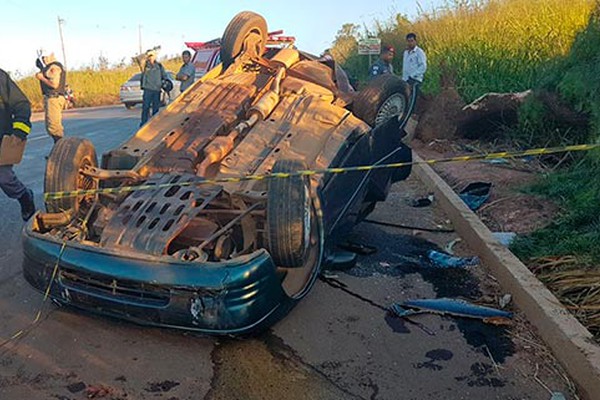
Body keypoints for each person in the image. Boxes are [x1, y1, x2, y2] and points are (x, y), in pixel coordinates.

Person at [0, 69, 36, 221]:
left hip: (2, 141)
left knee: (4, 179)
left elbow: (21, 104)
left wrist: (19, 131)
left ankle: (24, 196)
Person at [35, 52, 66, 143]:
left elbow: (54, 85)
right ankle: (59, 149)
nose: (44, 59)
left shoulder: (54, 68)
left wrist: (41, 78)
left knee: (54, 127)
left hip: (54, 98)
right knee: (51, 126)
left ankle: (61, 151)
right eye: (43, 58)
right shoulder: (50, 67)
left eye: (45, 57)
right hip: (52, 98)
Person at [140, 49, 167, 126]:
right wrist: (145, 56)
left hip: (157, 90)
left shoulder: (159, 66)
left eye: (152, 56)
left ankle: (155, 124)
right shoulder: (144, 65)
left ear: (155, 56)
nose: (150, 57)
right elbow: (139, 59)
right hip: (148, 89)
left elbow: (164, 76)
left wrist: (165, 82)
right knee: (146, 107)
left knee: (156, 109)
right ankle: (143, 123)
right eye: (149, 56)